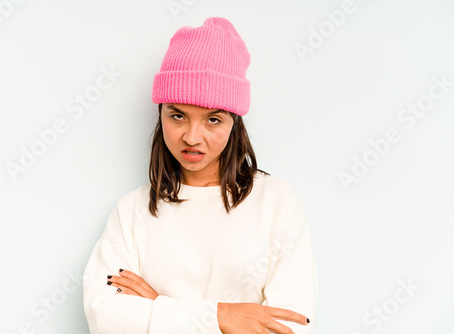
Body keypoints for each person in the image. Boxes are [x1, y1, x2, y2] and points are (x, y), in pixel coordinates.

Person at [82, 17, 317, 334]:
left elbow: (289, 328)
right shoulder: (131, 212)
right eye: (177, 115)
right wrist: (222, 317)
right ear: (161, 113)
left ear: (234, 121)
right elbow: (106, 320)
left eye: (213, 120)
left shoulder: (277, 203)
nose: (192, 137)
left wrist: (157, 308)